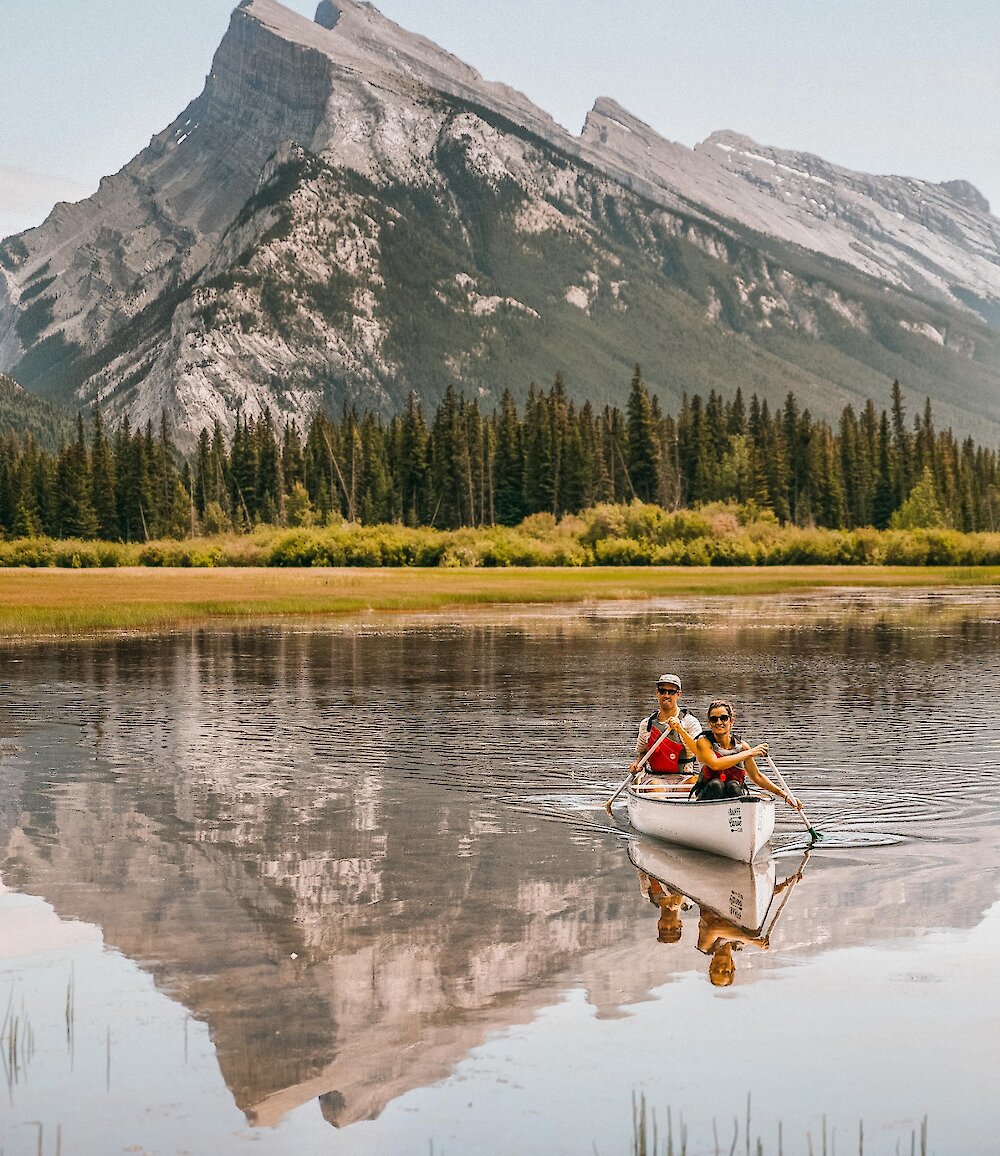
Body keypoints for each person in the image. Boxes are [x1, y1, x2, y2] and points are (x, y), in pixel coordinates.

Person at [683, 698, 801, 808]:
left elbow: (757, 776)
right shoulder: (703, 742)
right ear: (710, 723)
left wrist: (785, 796)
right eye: (714, 719)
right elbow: (715, 764)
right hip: (707, 797)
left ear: (731, 721)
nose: (719, 722)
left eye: (723, 718)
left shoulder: (742, 747)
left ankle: (738, 818)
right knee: (716, 784)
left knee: (733, 786)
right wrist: (749, 753)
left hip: (733, 800)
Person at [628, 674, 701, 792]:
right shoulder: (646, 725)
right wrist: (636, 764)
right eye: (662, 691)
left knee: (695, 784)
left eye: (671, 692)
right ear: (657, 693)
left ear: (678, 694)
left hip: (684, 778)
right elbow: (642, 753)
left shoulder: (690, 722)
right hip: (654, 778)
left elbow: (699, 752)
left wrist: (681, 730)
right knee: (656, 788)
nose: (666, 695)